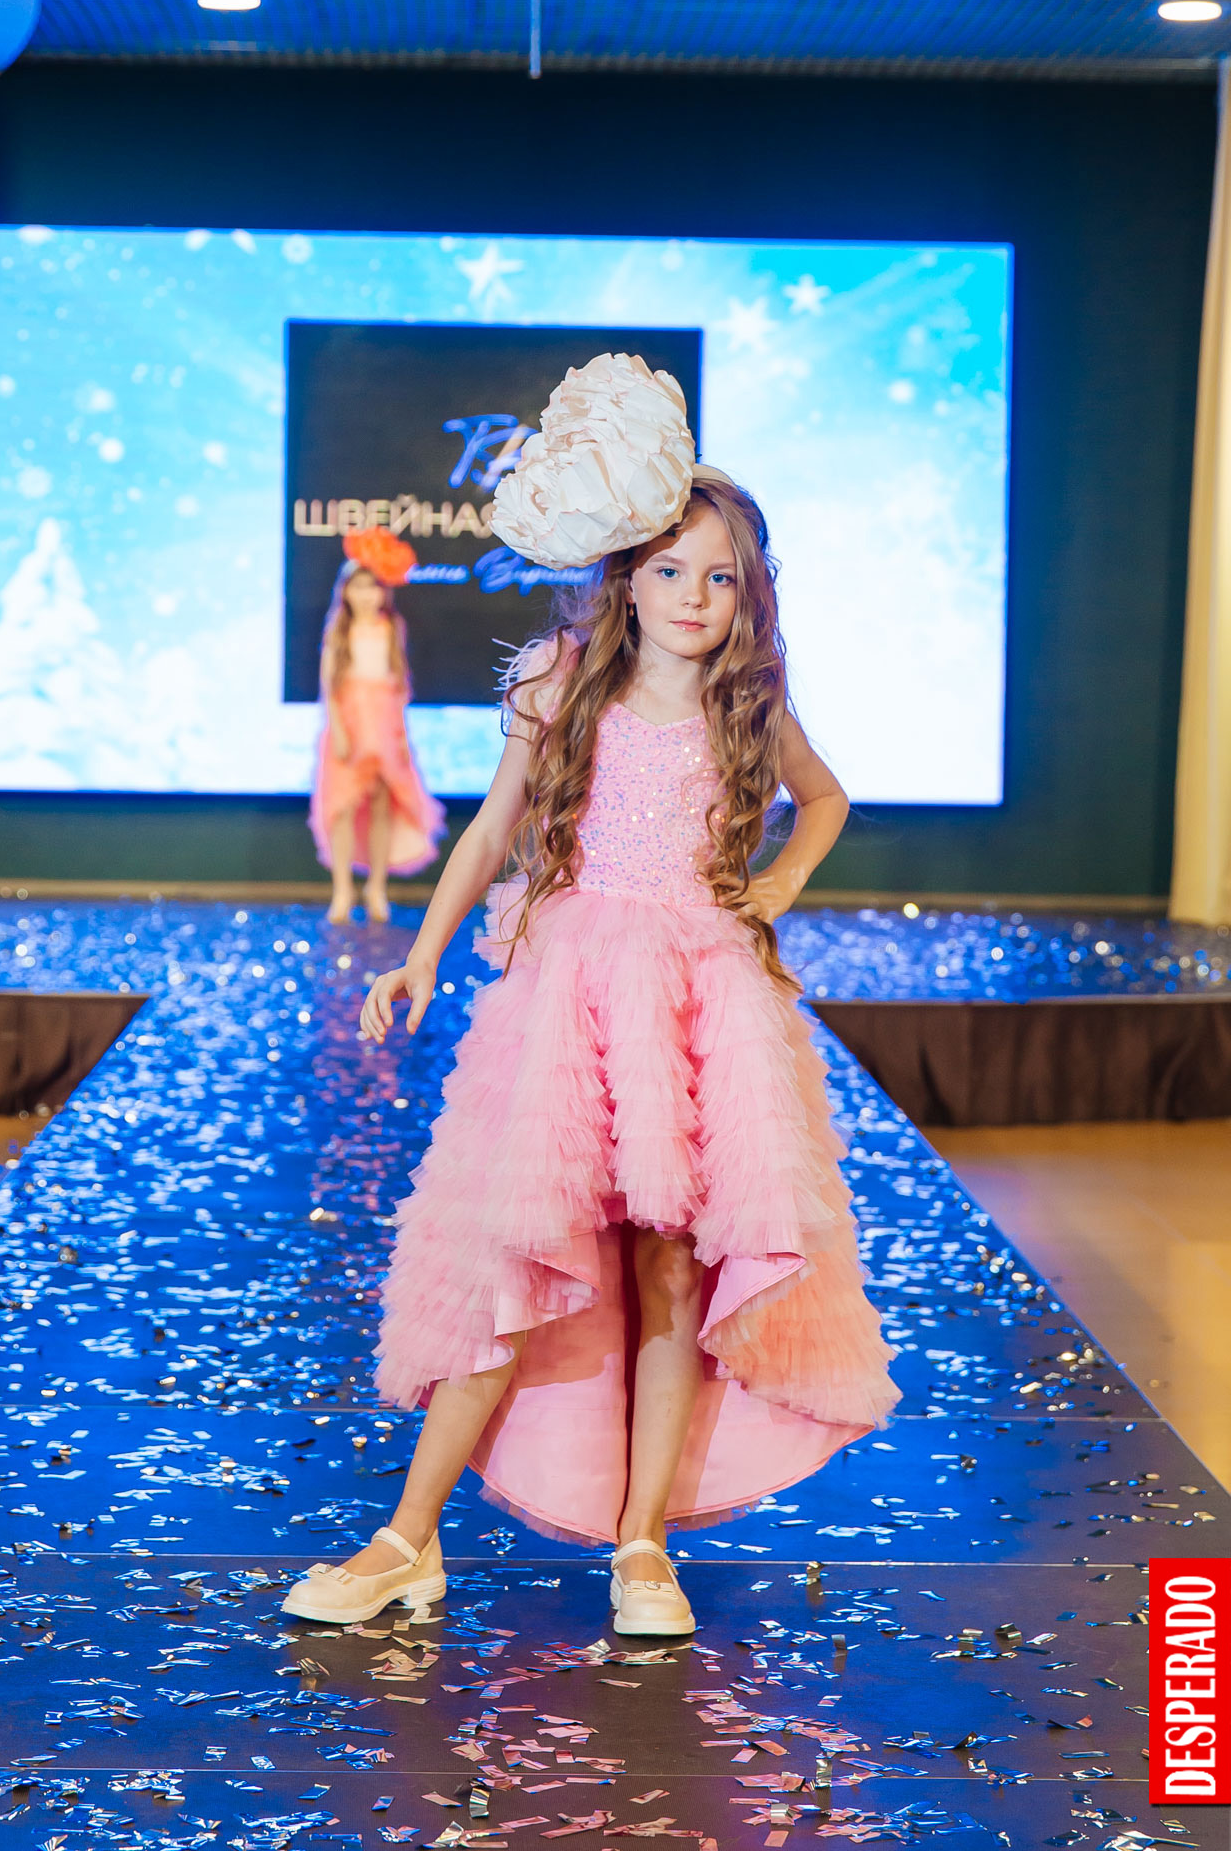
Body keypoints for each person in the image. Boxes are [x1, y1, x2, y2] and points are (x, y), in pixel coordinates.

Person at [283, 354, 898, 1637]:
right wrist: (423, 952)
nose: (694, 598)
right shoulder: (559, 680)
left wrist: (778, 884)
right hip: (567, 1004)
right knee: (520, 1256)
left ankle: (641, 1543)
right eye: (670, 572)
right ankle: (405, 1539)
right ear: (623, 576)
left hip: (695, 1008)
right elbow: (490, 829)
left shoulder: (747, 700)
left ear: (749, 593)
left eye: (720, 578)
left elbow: (825, 799)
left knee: (668, 1270)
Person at [309, 527, 445, 924]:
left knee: (384, 804)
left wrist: (400, 735)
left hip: (385, 726)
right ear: (346, 592)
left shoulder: (391, 628)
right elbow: (329, 688)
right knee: (343, 805)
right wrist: (339, 730)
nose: (366, 595)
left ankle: (376, 887)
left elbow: (398, 684)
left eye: (372, 587)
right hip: (350, 726)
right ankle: (342, 888)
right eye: (358, 587)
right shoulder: (339, 631)